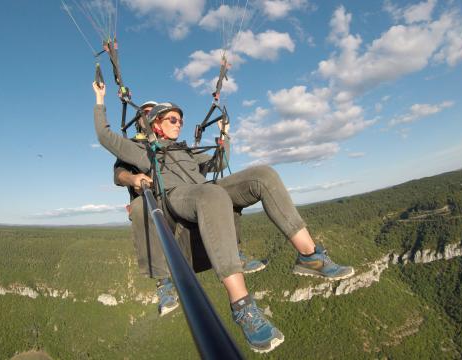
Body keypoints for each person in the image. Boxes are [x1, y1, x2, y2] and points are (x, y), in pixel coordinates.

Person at [92, 81, 354, 353]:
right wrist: (100, 99)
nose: (179, 123)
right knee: (213, 196)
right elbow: (104, 135)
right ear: (156, 123)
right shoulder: (142, 150)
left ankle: (309, 255)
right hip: (176, 197)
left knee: (263, 175)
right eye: (173, 119)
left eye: (181, 120)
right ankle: (242, 307)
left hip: (203, 189)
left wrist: (225, 135)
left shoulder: (185, 150)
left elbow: (218, 162)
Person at [114, 101, 266, 316]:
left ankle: (234, 252)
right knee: (140, 208)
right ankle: (162, 281)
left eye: (151, 112)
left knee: (215, 192)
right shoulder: (134, 146)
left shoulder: (177, 146)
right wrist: (134, 178)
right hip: (151, 194)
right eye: (144, 113)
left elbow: (214, 164)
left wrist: (224, 138)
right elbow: (119, 173)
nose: (147, 116)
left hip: (179, 192)